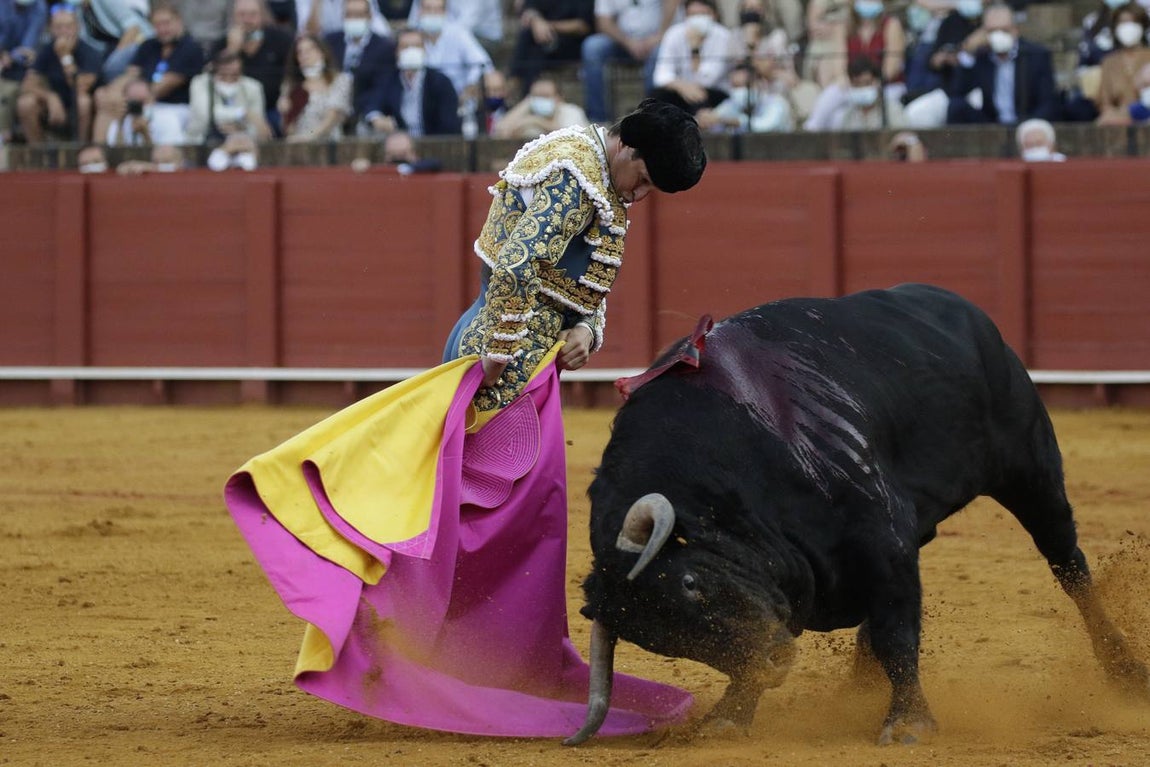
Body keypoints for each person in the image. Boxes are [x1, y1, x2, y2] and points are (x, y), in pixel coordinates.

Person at [225, 97, 707, 739]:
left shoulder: (590, 160)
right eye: (644, 180)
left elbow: (586, 275)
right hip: (505, 363)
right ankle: (402, 645)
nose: (641, 195)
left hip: (525, 360)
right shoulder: (575, 177)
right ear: (630, 149)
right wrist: (501, 356)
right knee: (484, 514)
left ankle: (467, 652)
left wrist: (587, 325)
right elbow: (514, 266)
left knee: (506, 511)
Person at [92, 2, 205, 146]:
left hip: (173, 106)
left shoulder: (190, 48)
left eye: (167, 23)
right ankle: (99, 158)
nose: (163, 29)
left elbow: (166, 84)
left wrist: (129, 99)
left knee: (160, 118)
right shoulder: (149, 45)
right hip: (141, 103)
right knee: (107, 106)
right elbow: (130, 74)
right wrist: (112, 93)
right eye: (158, 25)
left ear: (178, 22)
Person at [946, 3, 1059, 125]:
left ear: (1015, 30)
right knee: (956, 107)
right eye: (992, 31)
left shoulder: (1035, 55)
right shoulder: (980, 56)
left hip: (1026, 123)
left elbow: (1048, 101)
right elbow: (958, 93)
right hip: (989, 124)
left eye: (1004, 30)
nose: (998, 35)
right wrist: (968, 53)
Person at [579, 0, 678, 123]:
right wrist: (628, 42)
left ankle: (653, 115)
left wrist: (659, 37)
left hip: (658, 39)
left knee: (659, 52)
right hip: (622, 41)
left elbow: (673, 3)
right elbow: (603, 22)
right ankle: (598, 118)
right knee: (593, 47)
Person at [17, 5, 102, 143]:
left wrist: (65, 57)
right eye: (58, 27)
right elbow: (27, 84)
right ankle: (38, 153)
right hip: (54, 107)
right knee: (25, 103)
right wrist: (50, 97)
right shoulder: (46, 50)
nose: (63, 32)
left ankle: (80, 150)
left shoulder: (90, 52)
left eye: (68, 26)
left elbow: (80, 87)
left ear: (77, 27)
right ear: (51, 29)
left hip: (85, 109)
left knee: (83, 102)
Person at [212, 0, 294, 137]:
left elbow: (293, 72)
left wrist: (286, 94)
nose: (247, 20)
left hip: (272, 108)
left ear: (262, 16)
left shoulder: (281, 39)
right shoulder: (222, 44)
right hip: (234, 109)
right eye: (242, 15)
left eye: (252, 14)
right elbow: (209, 77)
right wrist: (232, 50)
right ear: (233, 17)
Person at [649, 0, 743, 115]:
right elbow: (661, 76)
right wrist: (682, 86)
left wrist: (695, 49)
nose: (697, 19)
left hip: (713, 93)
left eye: (702, 14)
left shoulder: (723, 36)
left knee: (698, 99)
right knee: (658, 97)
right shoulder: (674, 33)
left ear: (713, 14)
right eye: (692, 14)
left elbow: (707, 80)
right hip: (681, 90)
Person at [364, 26, 460, 137]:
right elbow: (372, 103)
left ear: (424, 50)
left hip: (432, 144)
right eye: (405, 47)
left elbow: (449, 124)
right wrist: (377, 119)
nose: (410, 51)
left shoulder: (440, 82)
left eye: (416, 46)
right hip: (399, 143)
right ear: (397, 52)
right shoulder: (388, 79)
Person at [323, 0, 397, 127]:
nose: (353, 19)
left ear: (369, 16)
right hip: (330, 109)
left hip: (364, 112)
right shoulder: (330, 42)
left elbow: (381, 86)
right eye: (349, 14)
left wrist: (371, 113)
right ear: (343, 16)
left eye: (358, 14)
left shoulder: (384, 47)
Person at [508, 0, 596, 96]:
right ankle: (523, 88)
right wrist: (536, 20)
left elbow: (583, 26)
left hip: (574, 44)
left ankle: (516, 81)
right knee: (532, 40)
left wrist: (548, 26)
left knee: (535, 45)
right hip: (543, 41)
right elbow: (529, 7)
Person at [185, 49, 272, 144]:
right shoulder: (200, 83)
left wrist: (239, 129)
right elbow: (205, 114)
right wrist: (242, 113)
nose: (229, 77)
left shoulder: (253, 87)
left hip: (243, 139)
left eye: (234, 74)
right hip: (203, 140)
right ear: (215, 68)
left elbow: (258, 122)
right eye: (224, 74)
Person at [279, 33, 352, 141]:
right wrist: (285, 113)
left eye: (309, 50)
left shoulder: (340, 80)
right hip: (298, 144)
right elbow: (288, 130)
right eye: (300, 52)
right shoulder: (290, 86)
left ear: (322, 52)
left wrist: (309, 136)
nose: (304, 55)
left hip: (329, 144)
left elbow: (332, 118)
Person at [412, 0, 492, 99]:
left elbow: (483, 64)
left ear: (445, 12)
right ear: (419, 11)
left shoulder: (458, 33)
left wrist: (469, 87)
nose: (432, 13)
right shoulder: (411, 37)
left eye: (437, 9)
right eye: (428, 9)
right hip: (422, 102)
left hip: (457, 100)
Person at [695, 60, 794, 132]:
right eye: (735, 87)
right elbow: (717, 116)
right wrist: (704, 119)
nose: (738, 92)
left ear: (759, 83)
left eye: (743, 86)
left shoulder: (777, 104)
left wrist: (727, 121)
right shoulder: (733, 101)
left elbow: (763, 127)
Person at [0, 0, 48, 142]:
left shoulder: (39, 7)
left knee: (21, 100)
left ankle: (35, 155)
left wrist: (10, 57)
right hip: (6, 67)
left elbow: (27, 50)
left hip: (30, 69)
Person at [1095, 3, 1150, 125]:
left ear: (1142, 25)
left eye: (1132, 22)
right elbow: (1104, 102)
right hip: (1118, 123)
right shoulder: (1109, 62)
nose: (1128, 27)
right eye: (1122, 22)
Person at [75, 0, 154, 82]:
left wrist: (116, 57)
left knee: (111, 70)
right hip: (109, 51)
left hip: (137, 42)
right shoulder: (79, 11)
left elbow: (133, 28)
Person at [492, 75, 590, 139]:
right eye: (537, 96)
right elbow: (500, 131)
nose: (541, 100)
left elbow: (571, 137)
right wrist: (526, 103)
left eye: (546, 96)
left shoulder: (571, 111)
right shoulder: (528, 110)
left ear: (559, 97)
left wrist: (536, 121)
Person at [296, 0, 390, 37]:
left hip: (351, 39)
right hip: (324, 44)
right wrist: (316, 3)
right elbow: (310, 31)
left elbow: (375, 20)